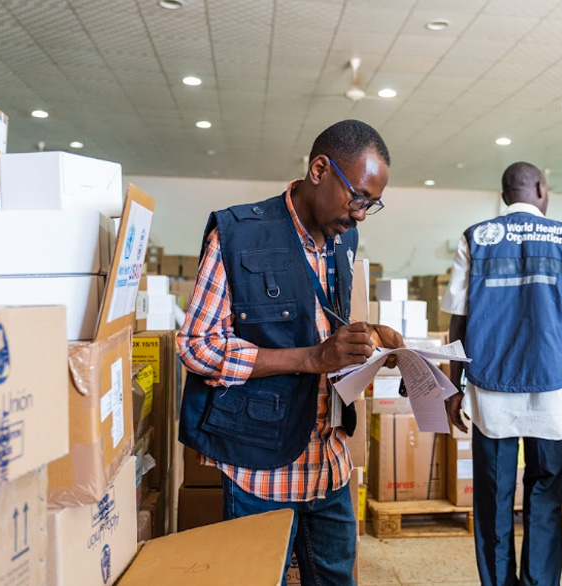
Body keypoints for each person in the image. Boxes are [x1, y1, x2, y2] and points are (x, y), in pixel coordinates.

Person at [177, 120, 403, 586]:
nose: (361, 214)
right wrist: (312, 359)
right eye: (357, 197)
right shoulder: (237, 233)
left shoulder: (344, 239)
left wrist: (370, 337)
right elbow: (197, 346)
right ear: (320, 169)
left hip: (330, 460)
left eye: (371, 204)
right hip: (260, 464)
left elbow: (316, 317)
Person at [442, 161, 562, 586]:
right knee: (545, 493)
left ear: (504, 193)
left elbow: (457, 321)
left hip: (490, 388)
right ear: (539, 188)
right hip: (551, 389)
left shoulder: (475, 238)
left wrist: (454, 386)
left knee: (494, 495)